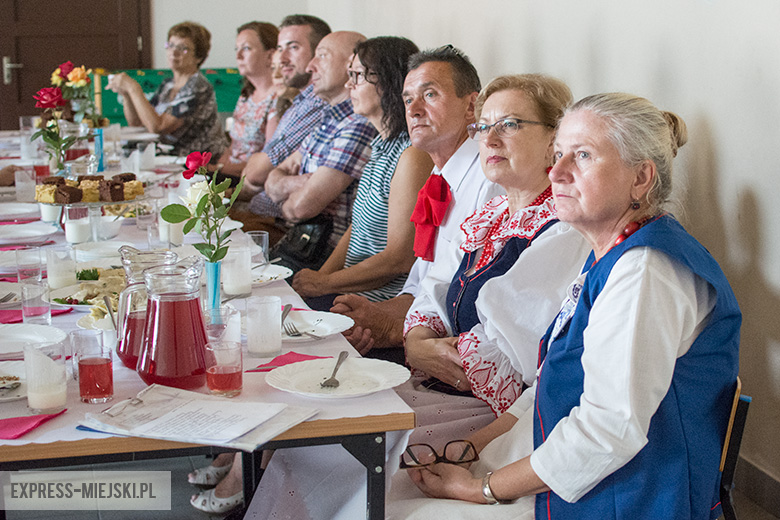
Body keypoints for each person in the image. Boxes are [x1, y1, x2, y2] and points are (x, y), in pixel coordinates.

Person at [389, 93, 741, 520]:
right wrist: (473, 448)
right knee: (386, 486)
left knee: (392, 507)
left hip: (626, 496)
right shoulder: (611, 252)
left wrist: (483, 488)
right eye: (558, 155)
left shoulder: (646, 271)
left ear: (641, 178)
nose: (556, 172)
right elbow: (550, 384)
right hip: (580, 472)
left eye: (584, 155)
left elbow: (608, 432)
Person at [397, 74, 590, 444]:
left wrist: (436, 355)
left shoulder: (565, 227)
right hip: (443, 387)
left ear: (554, 139)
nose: (489, 138)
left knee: (351, 452)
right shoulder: (490, 215)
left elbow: (512, 345)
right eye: (483, 126)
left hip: (498, 413)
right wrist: (419, 341)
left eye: (510, 125)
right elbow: (432, 290)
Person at [330, 45, 504, 359]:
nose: (414, 110)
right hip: (419, 333)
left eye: (430, 95)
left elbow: (470, 297)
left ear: (471, 106)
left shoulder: (489, 177)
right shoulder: (440, 177)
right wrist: (374, 314)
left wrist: (393, 327)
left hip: (456, 350)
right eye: (408, 99)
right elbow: (420, 285)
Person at [291, 36, 432, 310]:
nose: (348, 85)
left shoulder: (412, 154)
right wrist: (321, 277)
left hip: (378, 303)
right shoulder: (380, 145)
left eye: (356, 75)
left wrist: (325, 284)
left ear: (387, 83)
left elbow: (399, 258)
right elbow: (358, 227)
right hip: (348, 290)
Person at [246, 31, 377, 271]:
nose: (310, 67)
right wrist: (300, 183)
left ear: (352, 65)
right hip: (301, 243)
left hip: (322, 257)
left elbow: (300, 208)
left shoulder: (359, 123)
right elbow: (274, 176)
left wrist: (287, 194)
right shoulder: (329, 117)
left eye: (322, 57)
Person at [238, 14, 331, 196]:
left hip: (275, 220)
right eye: (280, 49)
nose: (282, 59)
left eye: (293, 47)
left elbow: (257, 172)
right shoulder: (299, 101)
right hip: (258, 207)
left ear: (320, 53)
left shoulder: (317, 103)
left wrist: (253, 171)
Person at [106, 21, 227, 158]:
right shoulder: (168, 84)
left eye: (183, 48)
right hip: (170, 158)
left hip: (198, 163)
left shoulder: (198, 86)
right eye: (170, 45)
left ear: (198, 57)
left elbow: (157, 127)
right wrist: (126, 94)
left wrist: (134, 88)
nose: (174, 52)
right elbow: (138, 123)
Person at [213, 22, 279, 177]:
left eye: (246, 48)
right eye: (237, 49)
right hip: (229, 172)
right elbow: (233, 145)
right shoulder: (246, 96)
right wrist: (220, 165)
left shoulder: (277, 100)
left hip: (251, 181)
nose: (238, 56)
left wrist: (219, 169)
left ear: (270, 55)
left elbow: (270, 162)